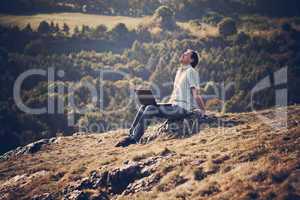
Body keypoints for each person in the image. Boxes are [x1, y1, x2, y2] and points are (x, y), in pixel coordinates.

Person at [115, 49, 206, 147]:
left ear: (191, 60)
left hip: (182, 108)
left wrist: (203, 110)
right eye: (184, 53)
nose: (183, 54)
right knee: (145, 106)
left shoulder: (191, 71)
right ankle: (131, 135)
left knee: (150, 109)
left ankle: (135, 139)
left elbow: (195, 93)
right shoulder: (180, 71)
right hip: (173, 105)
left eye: (187, 54)